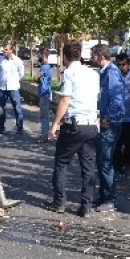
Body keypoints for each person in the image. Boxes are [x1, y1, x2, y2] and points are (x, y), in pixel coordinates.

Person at [48, 41, 100, 217]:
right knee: (88, 167)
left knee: (62, 163)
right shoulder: (93, 74)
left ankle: (59, 201)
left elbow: (64, 100)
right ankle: (86, 205)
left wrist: (55, 124)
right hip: (91, 125)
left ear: (65, 57)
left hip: (74, 126)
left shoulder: (69, 73)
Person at [93, 44, 126, 213]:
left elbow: (117, 100)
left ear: (100, 56)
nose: (92, 59)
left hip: (110, 124)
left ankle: (110, 199)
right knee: (101, 161)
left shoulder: (111, 73)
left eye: (94, 56)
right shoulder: (105, 72)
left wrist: (107, 117)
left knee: (105, 162)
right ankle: (104, 195)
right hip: (105, 121)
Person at [0, 41, 24, 134]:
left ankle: (19, 128)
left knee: (17, 108)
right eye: (4, 49)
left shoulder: (17, 61)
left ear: (11, 50)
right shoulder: (0, 60)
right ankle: (1, 128)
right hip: (3, 88)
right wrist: (1, 80)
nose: (4, 51)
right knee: (1, 109)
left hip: (14, 88)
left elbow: (21, 74)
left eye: (6, 49)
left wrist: (15, 80)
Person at [34, 47, 53, 144]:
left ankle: (45, 135)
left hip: (45, 93)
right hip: (44, 93)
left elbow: (36, 77)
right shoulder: (46, 66)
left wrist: (37, 77)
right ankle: (44, 134)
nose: (38, 56)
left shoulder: (44, 67)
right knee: (44, 115)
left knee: (44, 116)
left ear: (44, 55)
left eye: (39, 55)